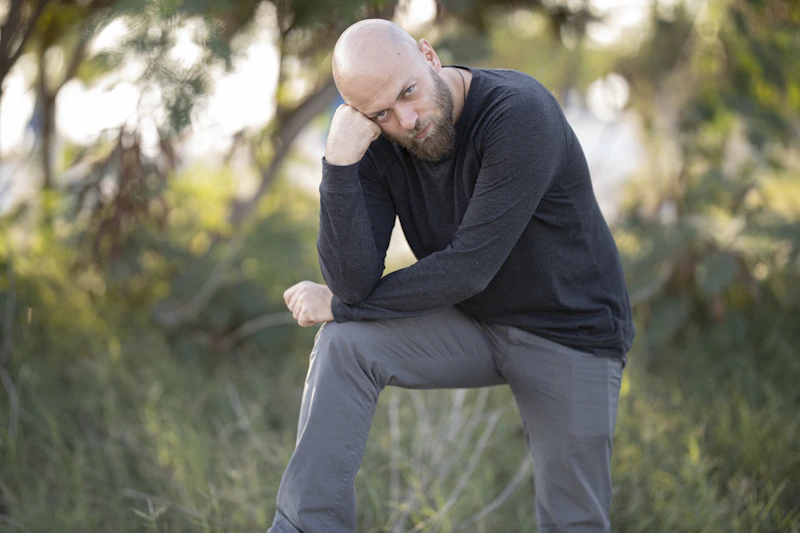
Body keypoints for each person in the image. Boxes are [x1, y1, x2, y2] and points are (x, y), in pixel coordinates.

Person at [268, 18, 635, 533]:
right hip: (473, 324)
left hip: (569, 333)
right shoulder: (377, 141)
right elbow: (353, 283)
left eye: (409, 92)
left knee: (573, 521)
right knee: (345, 344)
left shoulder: (518, 113)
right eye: (382, 113)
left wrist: (342, 304)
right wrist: (339, 164)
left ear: (429, 55)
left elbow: (468, 268)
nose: (408, 118)